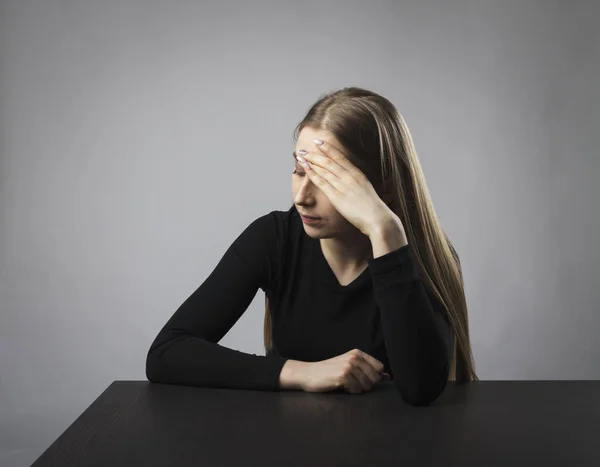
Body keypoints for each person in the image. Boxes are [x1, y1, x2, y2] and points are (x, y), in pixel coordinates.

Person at [145, 86, 478, 406]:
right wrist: (302, 372)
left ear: (384, 184)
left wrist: (384, 229)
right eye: (298, 170)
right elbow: (166, 353)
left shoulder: (422, 258)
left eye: (325, 178)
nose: (302, 197)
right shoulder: (274, 238)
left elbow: (421, 389)